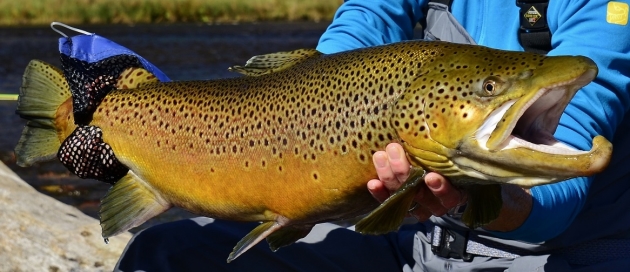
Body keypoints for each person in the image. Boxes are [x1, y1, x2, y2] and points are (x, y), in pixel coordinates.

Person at [115, 0, 630, 271]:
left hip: (557, 256)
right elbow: (360, 29)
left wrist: (465, 199)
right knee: (165, 256)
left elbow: (566, 189)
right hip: (420, 243)